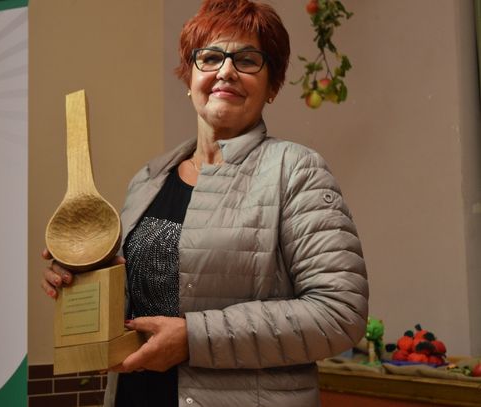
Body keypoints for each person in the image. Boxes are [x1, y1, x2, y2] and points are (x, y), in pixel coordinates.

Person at [41, 0, 369, 406]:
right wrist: (81, 273)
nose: (226, 71)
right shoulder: (149, 180)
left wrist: (194, 338)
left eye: (247, 60)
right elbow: (139, 300)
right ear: (190, 76)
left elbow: (340, 312)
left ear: (272, 86)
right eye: (210, 58)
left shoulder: (295, 170)